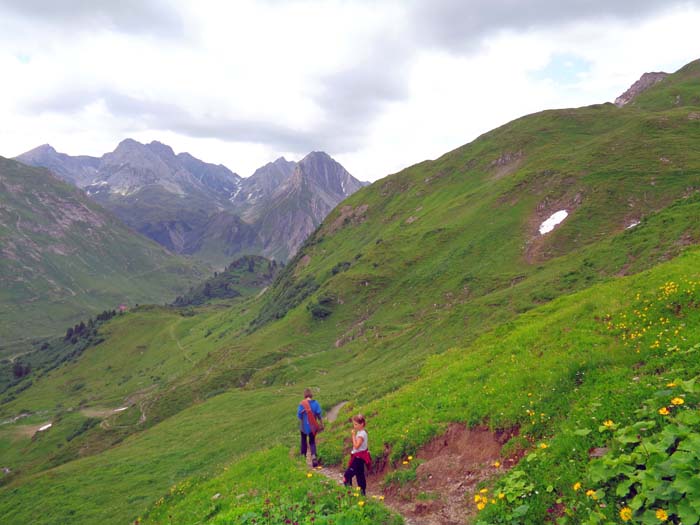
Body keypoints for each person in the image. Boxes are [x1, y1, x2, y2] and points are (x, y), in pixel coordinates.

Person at [343, 414, 371, 495]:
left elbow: (356, 446)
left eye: (356, 424)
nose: (354, 426)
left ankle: (349, 492)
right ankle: (362, 493)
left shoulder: (361, 434)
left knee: (347, 475)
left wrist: (353, 436)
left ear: (362, 424)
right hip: (361, 457)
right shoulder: (362, 432)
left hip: (358, 457)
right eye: (353, 424)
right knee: (360, 475)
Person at [298, 388, 323, 467]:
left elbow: (299, 416)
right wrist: (321, 424)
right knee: (312, 442)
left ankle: (303, 458)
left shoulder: (302, 404)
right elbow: (319, 414)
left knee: (303, 441)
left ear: (304, 395)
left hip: (303, 427)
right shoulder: (316, 403)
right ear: (311, 395)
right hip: (312, 426)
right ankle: (314, 457)